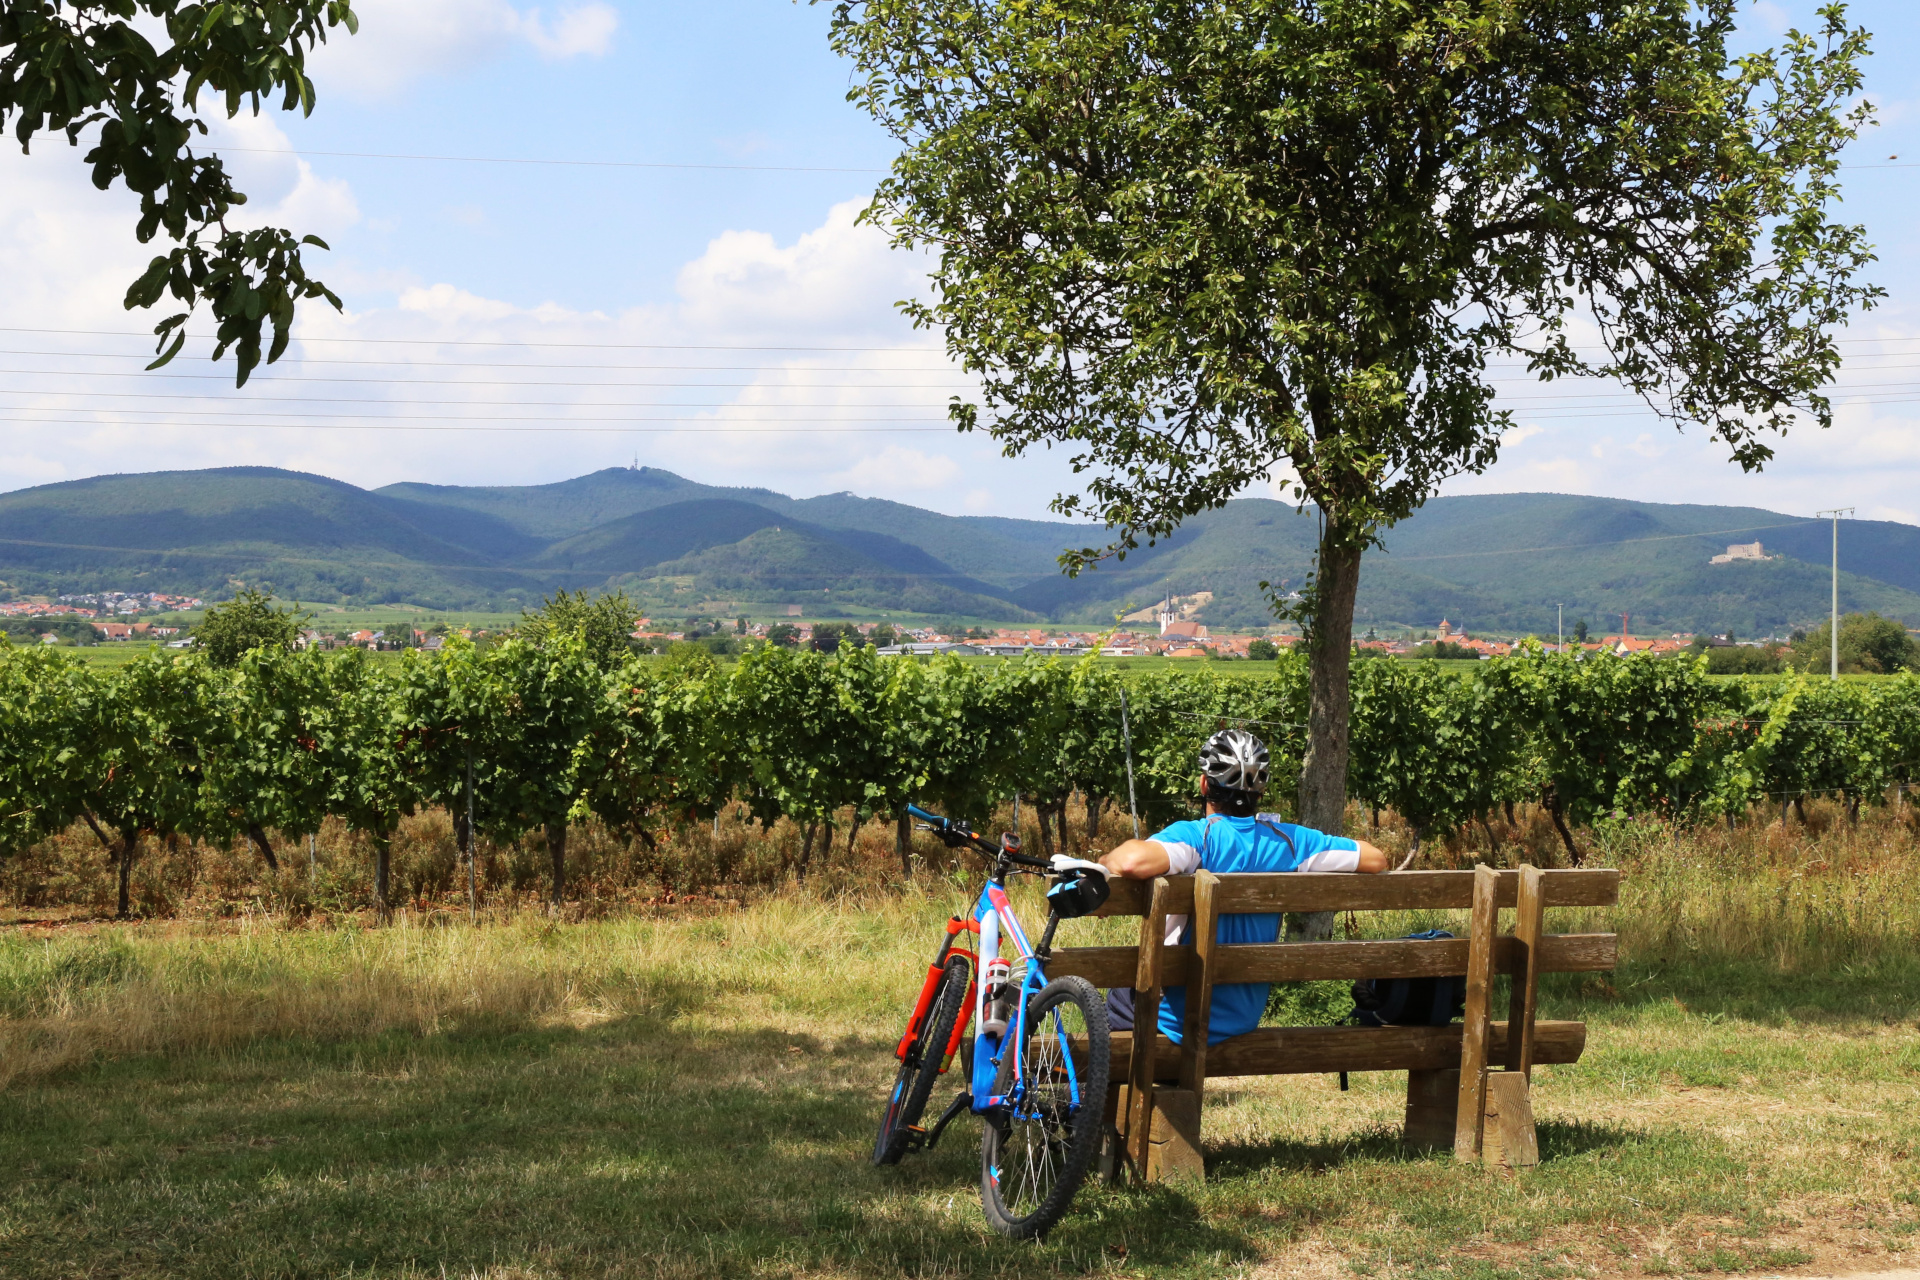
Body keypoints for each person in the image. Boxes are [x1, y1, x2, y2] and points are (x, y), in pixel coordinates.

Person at [1097, 727, 1388, 1046]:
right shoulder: (1290, 843)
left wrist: (1105, 857)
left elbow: (1130, 863)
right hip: (1243, 1018)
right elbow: (1375, 859)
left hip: (1173, 1020)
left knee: (1110, 1003)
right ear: (1260, 792)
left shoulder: (1198, 838)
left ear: (1204, 784)